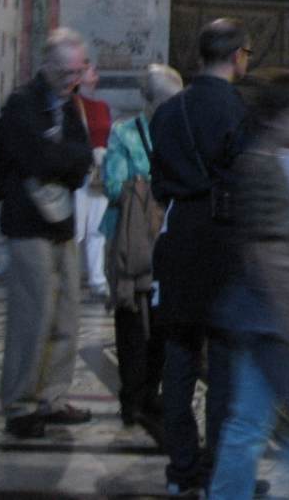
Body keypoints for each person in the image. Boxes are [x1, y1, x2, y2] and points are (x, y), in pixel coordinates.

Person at [208, 70, 289, 499]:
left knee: (262, 420)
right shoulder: (259, 165)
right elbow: (265, 252)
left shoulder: (264, 161)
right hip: (271, 316)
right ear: (279, 116)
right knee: (269, 421)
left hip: (274, 314)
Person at [150, 18, 252, 494]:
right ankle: (217, 474)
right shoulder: (239, 110)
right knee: (226, 363)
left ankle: (180, 470)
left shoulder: (168, 112)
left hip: (179, 234)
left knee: (179, 357)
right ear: (237, 57)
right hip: (226, 240)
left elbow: (157, 185)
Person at [0, 28, 97, 439]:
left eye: (78, 71)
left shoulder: (72, 106)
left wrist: (59, 160)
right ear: (47, 65)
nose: (72, 79)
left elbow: (81, 159)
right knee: (31, 317)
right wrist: (59, 160)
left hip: (61, 222)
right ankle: (20, 405)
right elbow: (31, 155)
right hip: (27, 222)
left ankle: (52, 397)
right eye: (66, 71)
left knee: (65, 313)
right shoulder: (22, 102)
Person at [101, 62, 182, 437]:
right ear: (147, 101)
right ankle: (131, 398)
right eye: (165, 101)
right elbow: (115, 186)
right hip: (130, 238)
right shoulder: (125, 133)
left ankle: (152, 392)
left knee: (163, 321)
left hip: (166, 238)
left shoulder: (182, 131)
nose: (171, 108)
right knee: (132, 320)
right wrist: (152, 183)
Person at [74, 63, 113, 300]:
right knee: (77, 229)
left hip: (99, 171)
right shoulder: (73, 105)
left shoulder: (102, 106)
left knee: (97, 228)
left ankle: (97, 279)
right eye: (91, 71)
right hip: (80, 171)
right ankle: (69, 276)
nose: (95, 74)